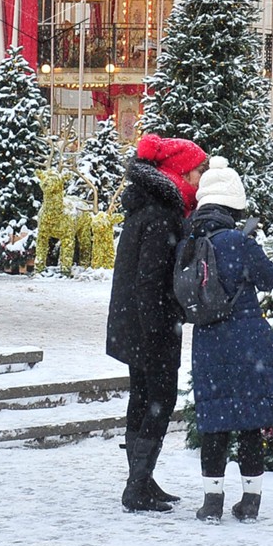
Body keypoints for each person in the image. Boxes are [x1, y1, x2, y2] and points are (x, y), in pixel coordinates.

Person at [185, 157, 273, 522]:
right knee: (250, 421)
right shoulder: (239, 239)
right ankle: (250, 503)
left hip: (208, 339)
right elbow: (269, 280)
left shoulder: (190, 239)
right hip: (247, 339)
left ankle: (212, 502)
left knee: (215, 420)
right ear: (235, 203)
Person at [105, 132, 207, 513]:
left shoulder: (147, 209)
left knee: (143, 399)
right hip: (153, 329)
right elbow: (149, 281)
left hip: (136, 326)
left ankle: (142, 479)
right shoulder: (163, 217)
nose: (200, 180)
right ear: (179, 173)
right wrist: (158, 332)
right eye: (197, 172)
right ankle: (136, 486)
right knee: (158, 402)